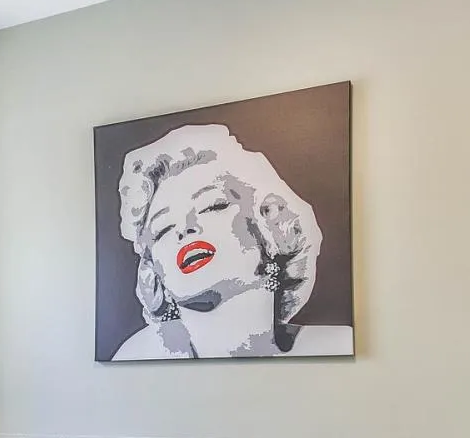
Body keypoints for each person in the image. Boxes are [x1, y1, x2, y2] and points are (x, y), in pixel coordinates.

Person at [111, 123, 350, 360]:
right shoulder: (134, 356)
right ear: (153, 270)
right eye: (162, 229)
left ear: (270, 225)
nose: (185, 228)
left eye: (212, 206)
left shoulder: (335, 346)